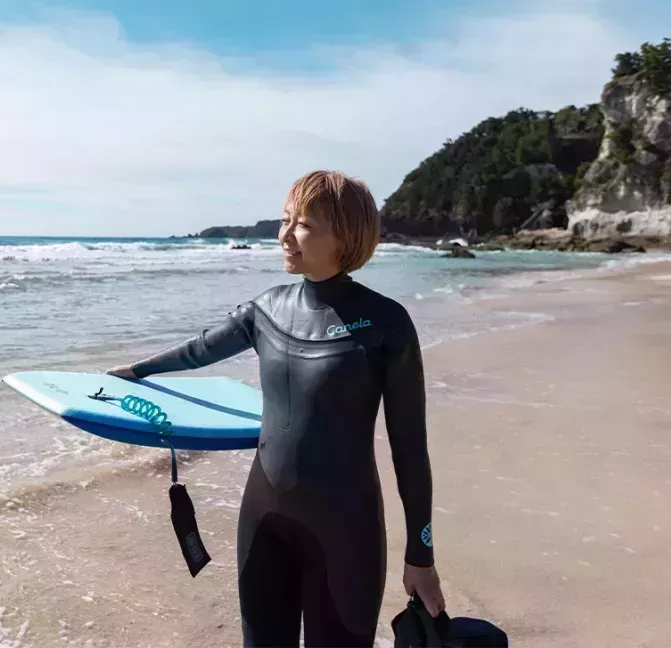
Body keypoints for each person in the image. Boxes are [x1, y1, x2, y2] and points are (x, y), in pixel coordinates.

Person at [108, 170, 445, 647]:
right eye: (286, 220)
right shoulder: (267, 308)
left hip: (346, 532)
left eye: (302, 224)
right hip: (263, 521)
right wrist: (137, 371)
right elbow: (201, 348)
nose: (284, 235)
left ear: (345, 234)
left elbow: (410, 451)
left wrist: (421, 556)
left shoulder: (387, 324)